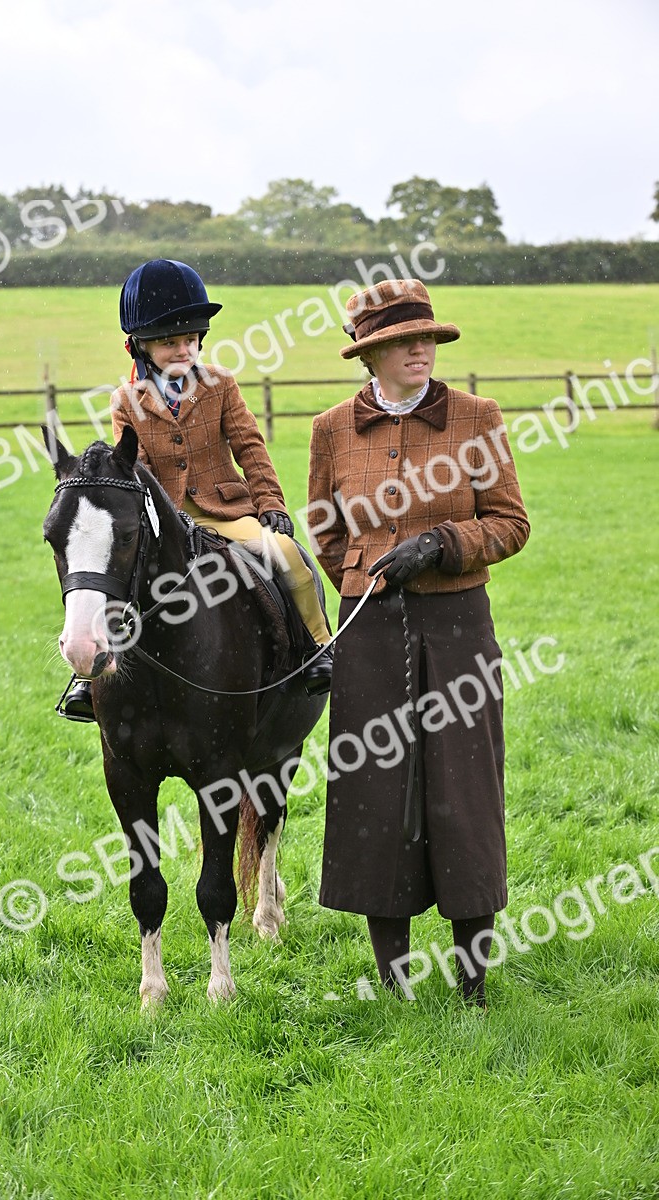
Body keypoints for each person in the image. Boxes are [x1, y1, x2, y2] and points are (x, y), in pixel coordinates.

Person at [307, 278, 530, 1008]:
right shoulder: (332, 428)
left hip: (459, 626)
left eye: (428, 338)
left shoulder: (476, 417)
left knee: (464, 792)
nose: (421, 351)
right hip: (369, 629)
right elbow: (324, 523)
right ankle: (394, 980)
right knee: (375, 789)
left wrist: (439, 545)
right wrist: (362, 572)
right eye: (405, 342)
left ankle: (473, 983)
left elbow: (509, 522)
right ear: (370, 353)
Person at [61, 258, 332, 720]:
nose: (183, 349)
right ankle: (88, 675)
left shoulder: (220, 385)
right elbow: (135, 469)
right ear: (140, 347)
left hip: (225, 509)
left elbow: (249, 445)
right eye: (169, 342)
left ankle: (316, 649)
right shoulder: (126, 401)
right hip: (159, 518)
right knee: (112, 579)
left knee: (288, 557)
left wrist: (271, 503)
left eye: (190, 339)